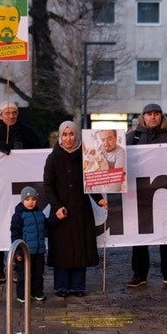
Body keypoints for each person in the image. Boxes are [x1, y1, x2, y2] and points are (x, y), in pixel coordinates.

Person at [0, 102, 44, 287]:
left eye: (14, 112)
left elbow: (37, 156)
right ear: (0, 116)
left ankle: (19, 267)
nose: (11, 116)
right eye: (7, 113)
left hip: (22, 190)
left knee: (22, 226)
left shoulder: (29, 133)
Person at [42, 121, 106, 297]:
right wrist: (56, 206)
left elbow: (91, 180)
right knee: (62, 248)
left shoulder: (85, 156)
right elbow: (48, 185)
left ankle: (78, 286)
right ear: (60, 137)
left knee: (80, 246)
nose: (68, 138)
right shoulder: (53, 157)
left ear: (76, 135)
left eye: (71, 134)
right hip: (61, 211)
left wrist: (99, 199)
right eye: (65, 134)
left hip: (81, 210)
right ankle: (61, 286)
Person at [126, 104, 167, 288]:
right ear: (143, 117)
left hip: (165, 194)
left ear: (161, 117)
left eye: (156, 114)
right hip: (139, 194)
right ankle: (139, 275)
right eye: (149, 114)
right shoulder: (132, 138)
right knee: (140, 237)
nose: (153, 117)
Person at [9, 186, 62, 302]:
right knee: (23, 275)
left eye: (33, 199)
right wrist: (18, 251)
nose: (31, 202)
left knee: (38, 274)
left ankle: (37, 292)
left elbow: (47, 225)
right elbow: (15, 234)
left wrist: (57, 218)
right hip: (24, 252)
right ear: (22, 201)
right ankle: (22, 295)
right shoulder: (18, 216)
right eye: (27, 199)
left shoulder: (39, 213)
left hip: (39, 251)